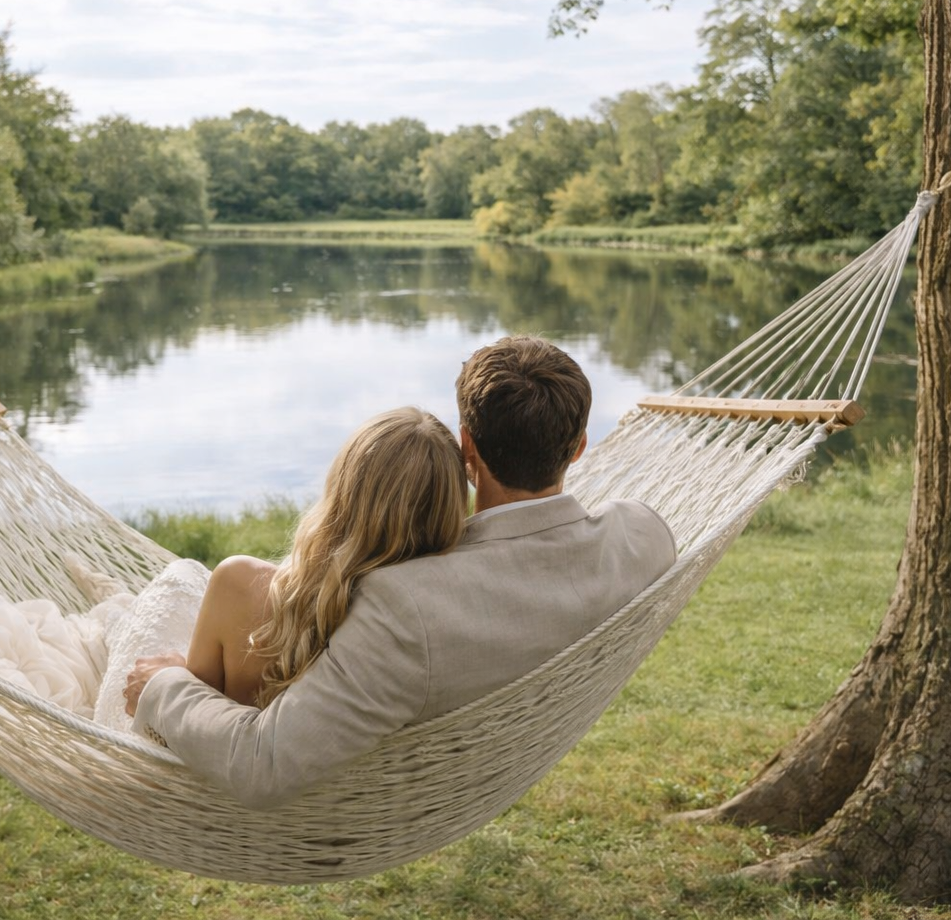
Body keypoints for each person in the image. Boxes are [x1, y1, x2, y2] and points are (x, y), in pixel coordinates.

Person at [123, 336, 677, 809]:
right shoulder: (642, 538)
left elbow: (263, 764)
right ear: (579, 448)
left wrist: (165, 685)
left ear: (467, 449)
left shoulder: (406, 605)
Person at [182, 406, 468, 710]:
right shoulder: (437, 624)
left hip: (235, 751)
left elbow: (181, 724)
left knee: (181, 577)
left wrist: (170, 679)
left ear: (343, 489)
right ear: (450, 510)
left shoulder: (241, 585)